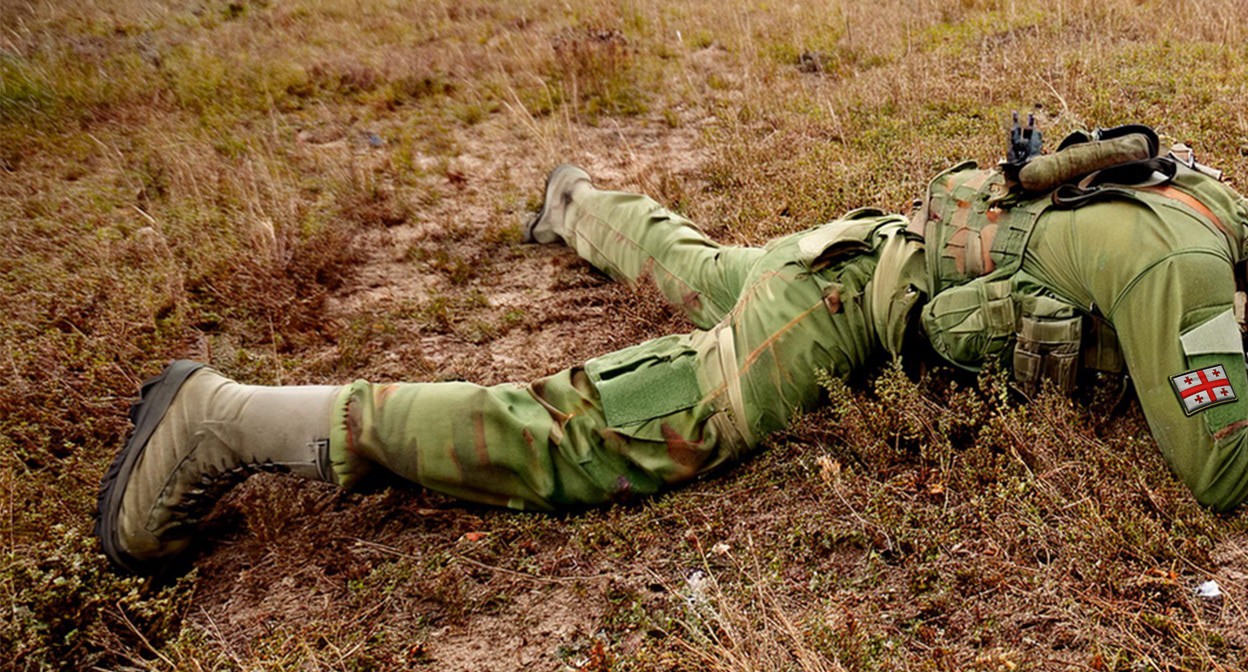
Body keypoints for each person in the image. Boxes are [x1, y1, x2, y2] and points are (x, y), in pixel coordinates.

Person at [96, 123, 1248, 574]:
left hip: (868, 249)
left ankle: (576, 201)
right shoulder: (1180, 264)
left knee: (705, 269)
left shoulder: (1211, 207)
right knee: (594, 437)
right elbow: (1221, 467)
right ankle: (230, 419)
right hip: (844, 311)